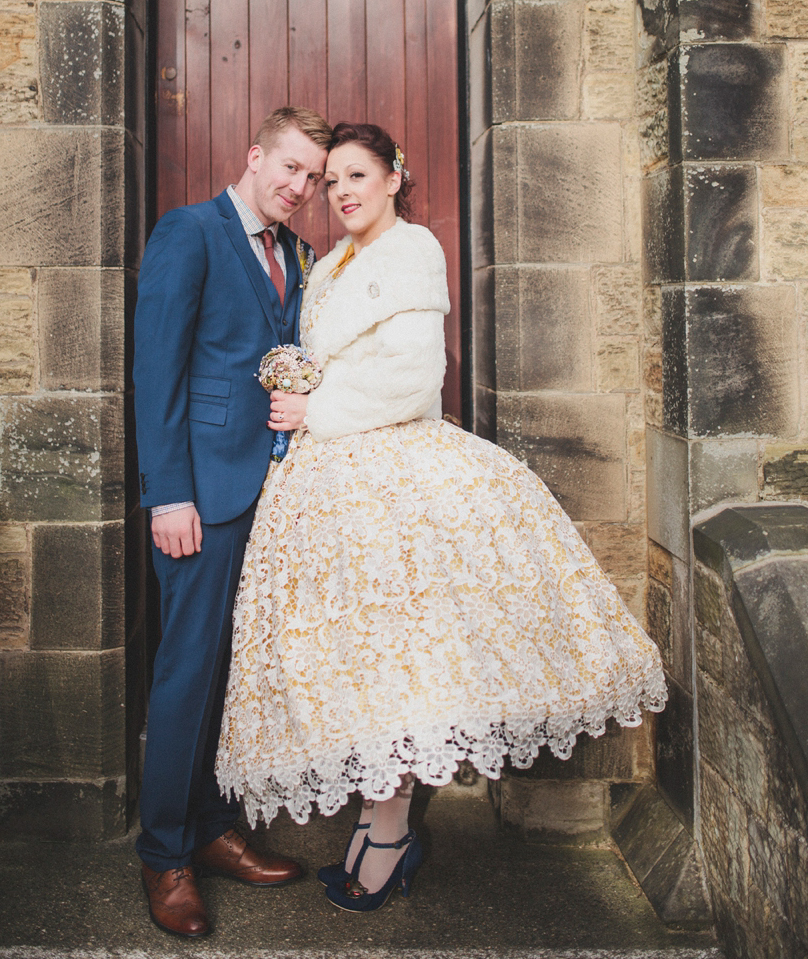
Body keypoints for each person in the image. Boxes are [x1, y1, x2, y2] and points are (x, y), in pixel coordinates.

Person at [217, 121, 667, 913]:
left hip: (390, 473)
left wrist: (313, 407)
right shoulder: (327, 266)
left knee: (398, 656)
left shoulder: (414, 248)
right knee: (360, 658)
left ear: (395, 176)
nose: (344, 191)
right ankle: (376, 817)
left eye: (359, 175)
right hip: (329, 484)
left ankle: (388, 834)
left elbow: (415, 376)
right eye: (333, 181)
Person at [133, 106, 331, 937]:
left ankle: (212, 828)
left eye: (313, 179)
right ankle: (163, 855)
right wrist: (167, 494)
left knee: (228, 675)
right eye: (289, 167)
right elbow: (157, 370)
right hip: (201, 500)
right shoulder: (191, 232)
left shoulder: (296, 252)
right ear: (254, 156)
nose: (299, 186)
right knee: (185, 675)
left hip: (270, 498)